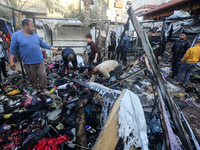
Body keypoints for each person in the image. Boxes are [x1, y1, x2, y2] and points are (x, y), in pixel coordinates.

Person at [10, 19, 58, 95]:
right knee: (32, 77)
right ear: (25, 27)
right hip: (28, 62)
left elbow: (43, 45)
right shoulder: (16, 36)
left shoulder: (35, 35)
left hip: (40, 60)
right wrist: (11, 61)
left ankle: (44, 88)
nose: (34, 28)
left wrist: (55, 48)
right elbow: (12, 49)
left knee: (43, 75)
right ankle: (35, 89)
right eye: (32, 26)